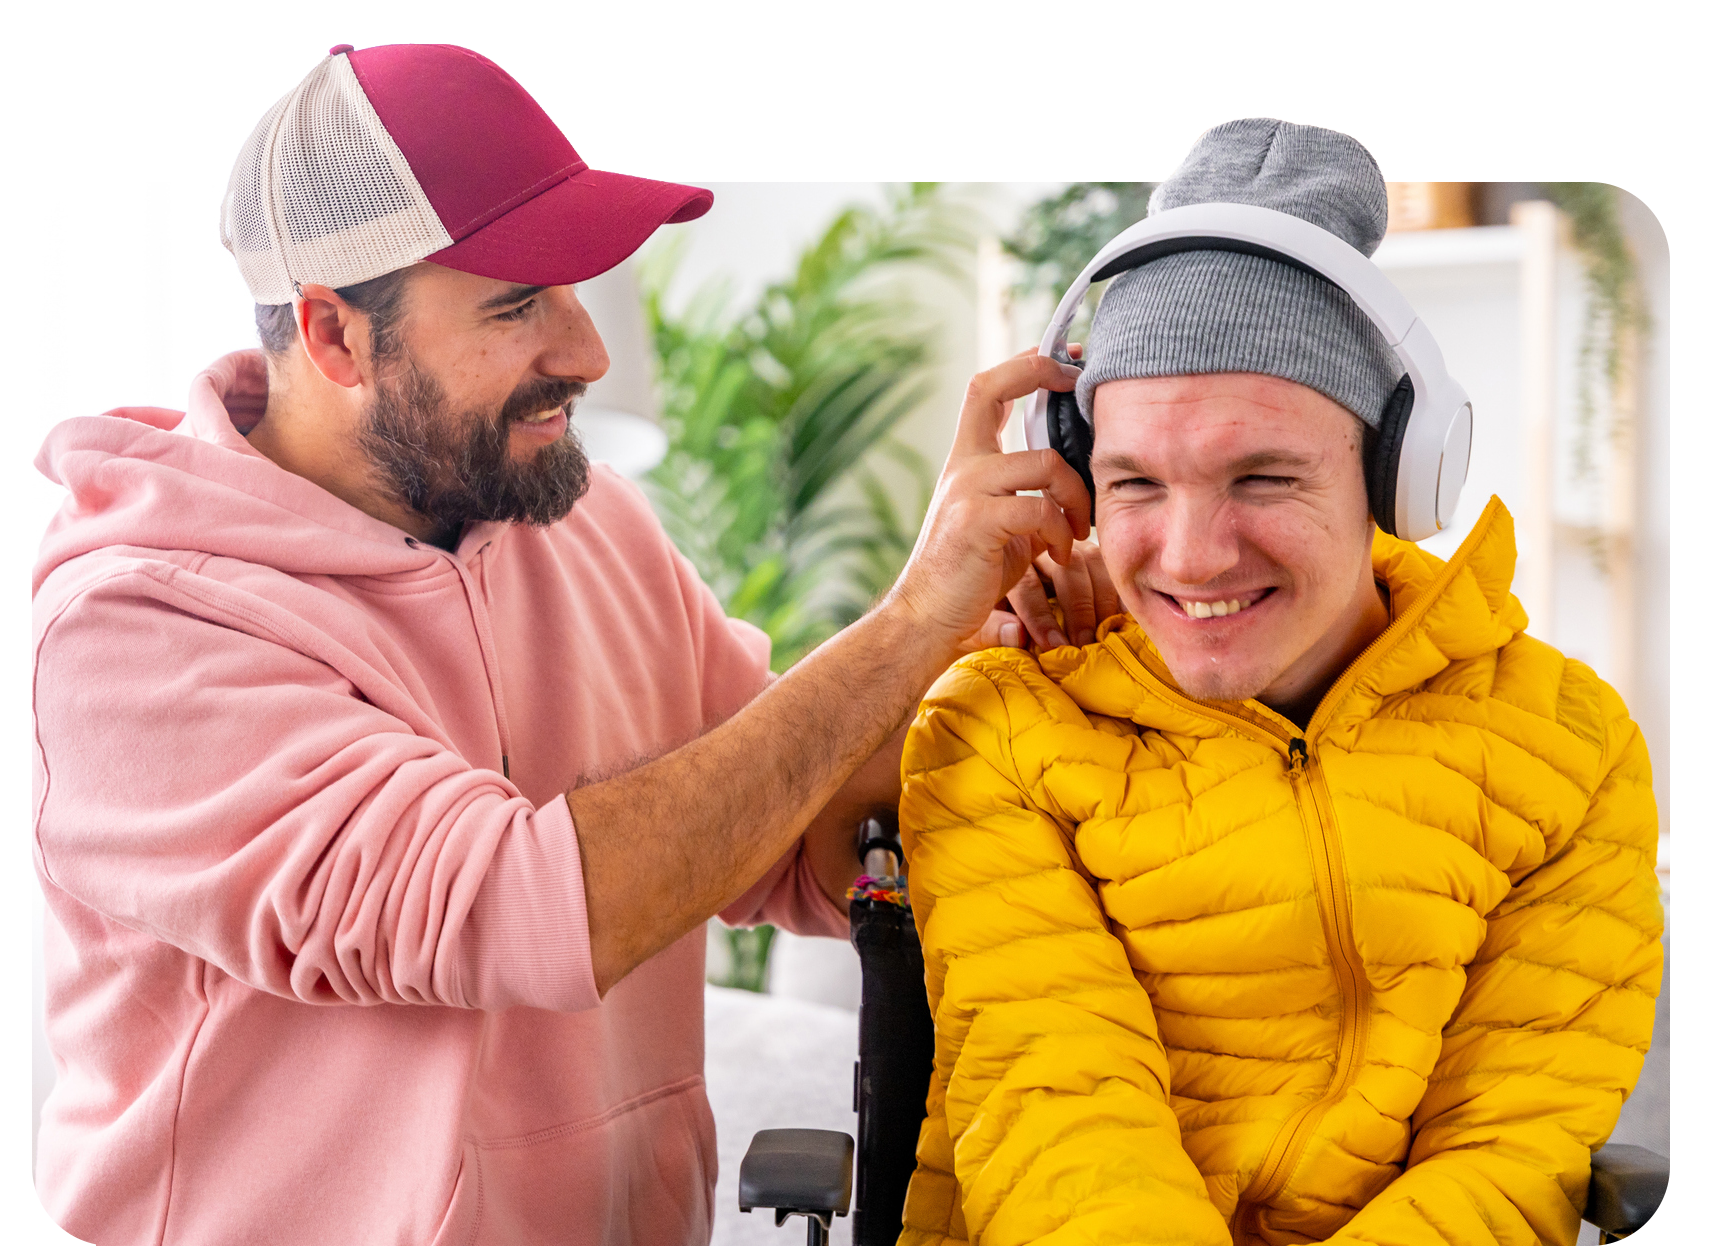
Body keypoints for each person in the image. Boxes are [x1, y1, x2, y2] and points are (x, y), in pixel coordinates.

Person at [28, 43, 1117, 1245]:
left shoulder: (590, 524)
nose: (587, 352)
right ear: (334, 336)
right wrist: (908, 621)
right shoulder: (135, 630)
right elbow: (511, 909)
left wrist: (1006, 664)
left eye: (574, 288)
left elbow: (788, 836)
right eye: (516, 304)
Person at [897, 119, 1663, 1246]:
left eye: (1262, 475)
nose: (1193, 554)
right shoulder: (998, 730)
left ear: (1397, 478)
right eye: (1135, 482)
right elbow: (1060, 1120)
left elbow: (1507, 1150)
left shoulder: (1568, 743)